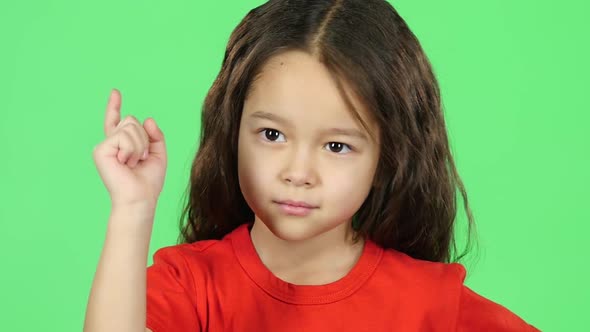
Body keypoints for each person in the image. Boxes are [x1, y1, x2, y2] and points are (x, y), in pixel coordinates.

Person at [84, 0, 540, 331]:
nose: (298, 171)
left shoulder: (430, 303)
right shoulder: (191, 286)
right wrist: (132, 207)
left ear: (388, 158)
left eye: (337, 146)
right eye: (272, 135)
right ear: (232, 131)